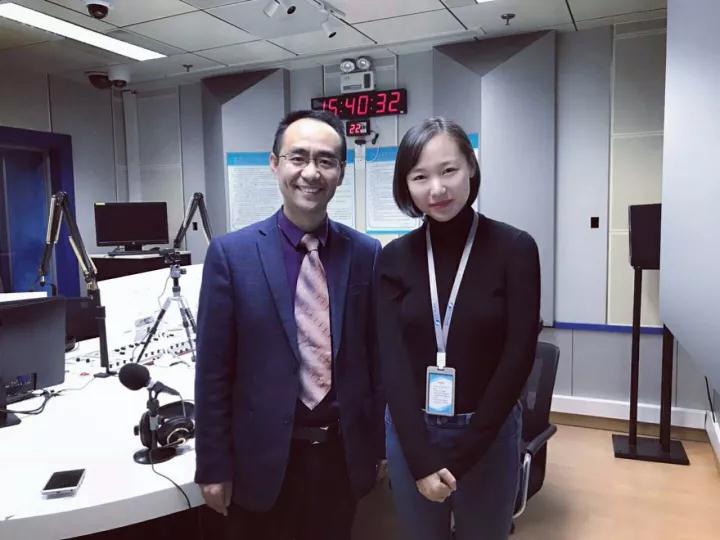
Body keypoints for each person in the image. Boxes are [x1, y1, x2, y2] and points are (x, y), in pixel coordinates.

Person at [194, 110, 384, 540]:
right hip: (259, 460)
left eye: (326, 161)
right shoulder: (231, 255)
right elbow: (213, 372)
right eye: (298, 157)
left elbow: (376, 361)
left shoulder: (366, 253)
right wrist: (213, 465)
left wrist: (377, 445)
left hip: (340, 456)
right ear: (274, 164)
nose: (311, 173)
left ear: (341, 173)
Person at [376, 117, 540, 540]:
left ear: (471, 166)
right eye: (420, 177)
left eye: (448, 170)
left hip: (489, 431)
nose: (437, 189)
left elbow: (519, 355)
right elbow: (390, 360)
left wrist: (464, 455)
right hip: (412, 432)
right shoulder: (393, 258)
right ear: (406, 185)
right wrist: (420, 459)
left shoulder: (515, 249)